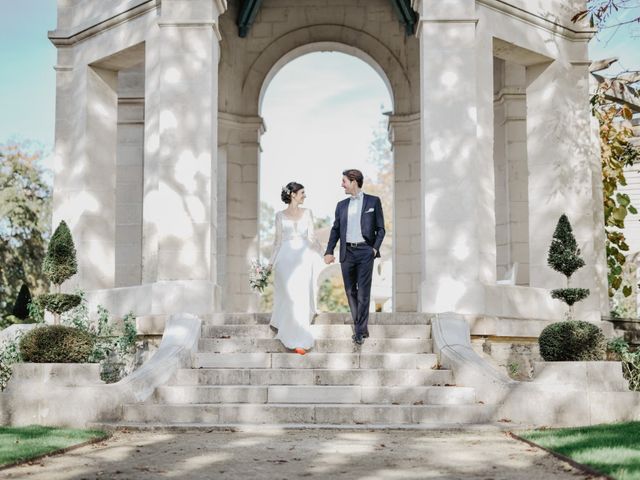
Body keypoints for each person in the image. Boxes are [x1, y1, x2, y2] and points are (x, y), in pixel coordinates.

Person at [324, 169, 385, 345]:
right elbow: (335, 230)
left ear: (353, 181)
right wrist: (329, 251)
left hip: (366, 251)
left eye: (344, 181)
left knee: (363, 293)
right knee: (350, 291)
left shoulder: (374, 201)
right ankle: (361, 326)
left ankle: (359, 331)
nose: (341, 184)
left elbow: (381, 229)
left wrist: (374, 249)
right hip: (347, 252)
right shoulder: (341, 205)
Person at [269, 181, 323, 354]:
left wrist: (324, 254)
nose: (305, 196)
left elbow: (312, 238)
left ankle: (299, 337)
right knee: (288, 295)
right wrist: (270, 263)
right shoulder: (279, 215)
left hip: (303, 259)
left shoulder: (308, 213)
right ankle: (286, 333)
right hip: (284, 259)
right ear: (293, 194)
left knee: (300, 295)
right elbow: (277, 242)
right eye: (302, 193)